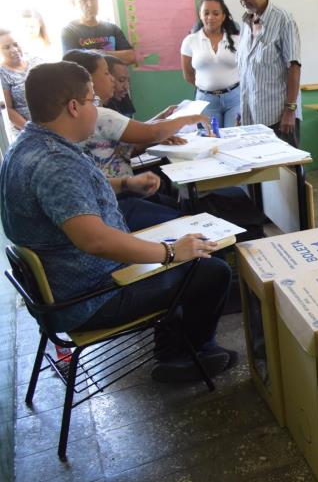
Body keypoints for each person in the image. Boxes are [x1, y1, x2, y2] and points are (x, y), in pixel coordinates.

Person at [0, 61, 236, 382]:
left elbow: (72, 200)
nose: (96, 109)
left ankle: (178, 346)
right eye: (92, 101)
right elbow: (94, 240)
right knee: (211, 270)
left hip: (68, 286)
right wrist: (170, 253)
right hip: (93, 297)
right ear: (73, 107)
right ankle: (184, 357)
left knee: (183, 249)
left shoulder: (26, 147)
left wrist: (125, 184)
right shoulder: (55, 163)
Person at [62, 49, 209, 230]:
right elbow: (152, 132)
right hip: (116, 201)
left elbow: (126, 144)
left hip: (113, 194)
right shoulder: (99, 114)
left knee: (176, 205)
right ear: (87, 80)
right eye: (107, 73)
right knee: (190, 220)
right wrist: (190, 118)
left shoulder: (86, 115)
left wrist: (156, 135)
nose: (112, 80)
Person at [231, 0, 302, 145]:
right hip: (252, 118)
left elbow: (294, 66)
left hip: (279, 117)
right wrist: (243, 111)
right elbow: (247, 70)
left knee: (288, 170)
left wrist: (290, 110)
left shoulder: (283, 20)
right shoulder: (246, 23)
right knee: (261, 170)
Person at [181, 0, 242, 127]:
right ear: (200, 15)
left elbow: (245, 69)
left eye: (216, 13)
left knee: (234, 141)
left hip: (235, 99)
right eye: (206, 13)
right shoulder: (190, 41)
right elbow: (188, 75)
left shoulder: (237, 39)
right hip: (205, 100)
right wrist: (208, 87)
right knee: (209, 142)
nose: (210, 17)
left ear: (223, 16)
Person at [61, 0, 136, 65]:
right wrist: (114, 56)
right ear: (73, 3)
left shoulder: (112, 28)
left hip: (115, 78)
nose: (90, 4)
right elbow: (71, 64)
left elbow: (131, 56)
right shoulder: (69, 31)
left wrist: (99, 53)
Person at [1, 29, 43, 134]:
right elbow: (8, 109)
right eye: (6, 47)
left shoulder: (36, 60)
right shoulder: (2, 73)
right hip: (26, 131)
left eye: (15, 44)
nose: (14, 49)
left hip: (51, 122)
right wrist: (32, 130)